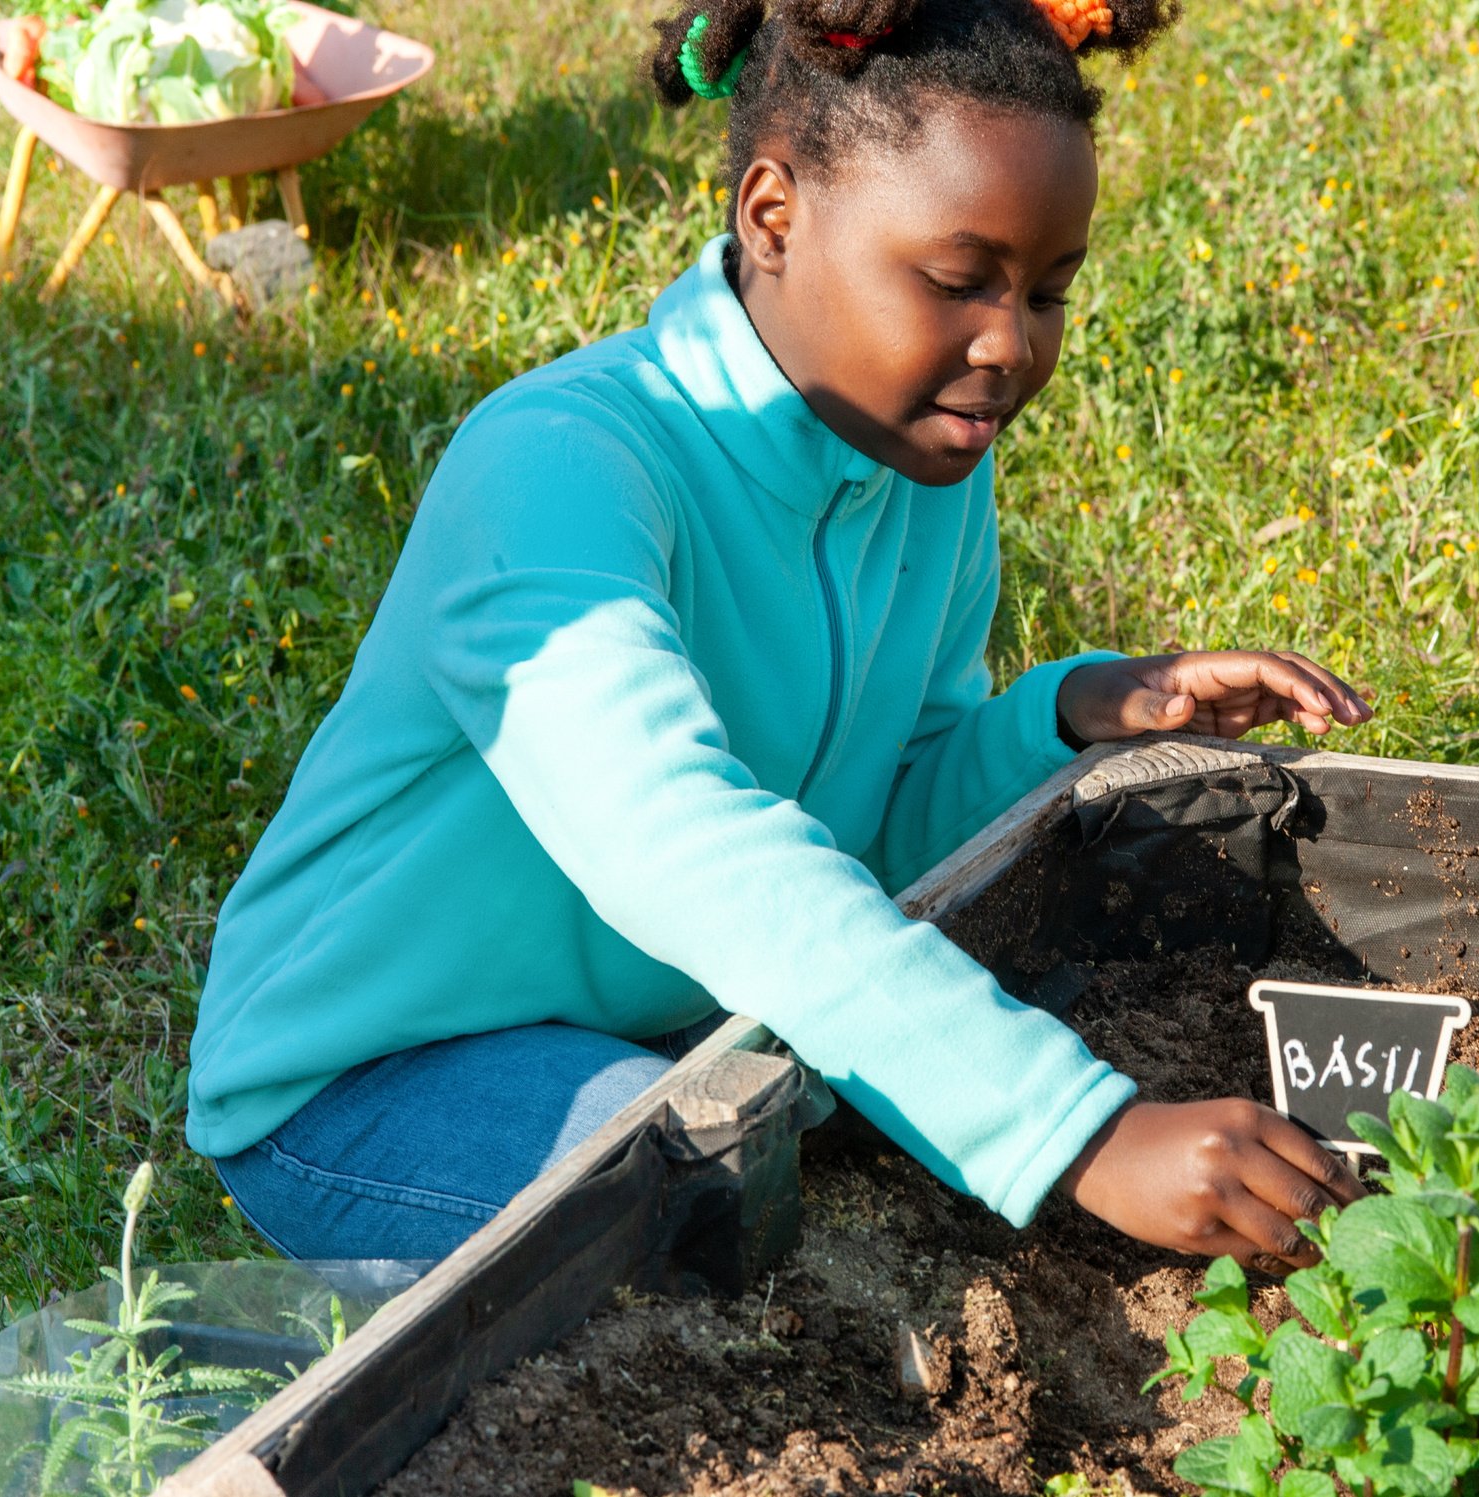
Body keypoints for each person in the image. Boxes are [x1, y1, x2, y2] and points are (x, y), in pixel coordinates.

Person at [187, 0, 1375, 1276]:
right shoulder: (560, 468)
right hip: (375, 1083)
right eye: (959, 279)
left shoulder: (921, 469)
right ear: (773, 215)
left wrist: (1066, 715)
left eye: (1047, 291)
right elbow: (680, 844)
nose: (1010, 346)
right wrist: (1082, 1135)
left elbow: (875, 827)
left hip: (679, 1026)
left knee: (797, 1146)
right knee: (717, 1224)